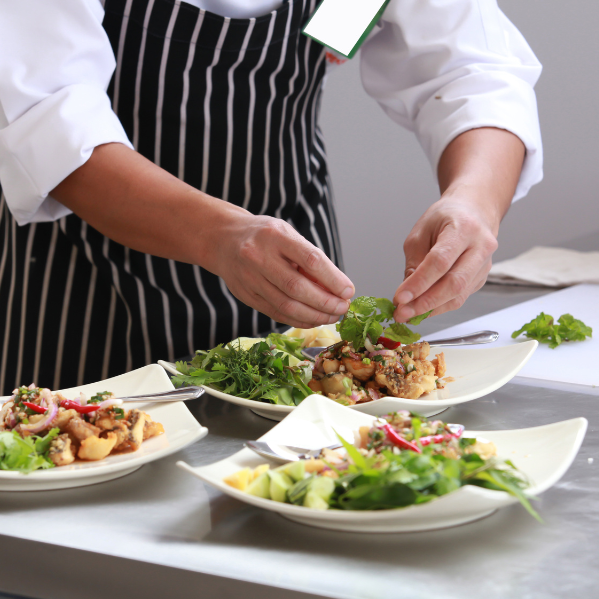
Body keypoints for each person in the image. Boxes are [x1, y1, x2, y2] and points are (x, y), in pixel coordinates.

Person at [0, 0, 542, 395]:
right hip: (88, 279)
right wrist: (219, 236)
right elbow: (48, 117)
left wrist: (473, 202)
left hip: (296, 250)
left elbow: (474, 68)